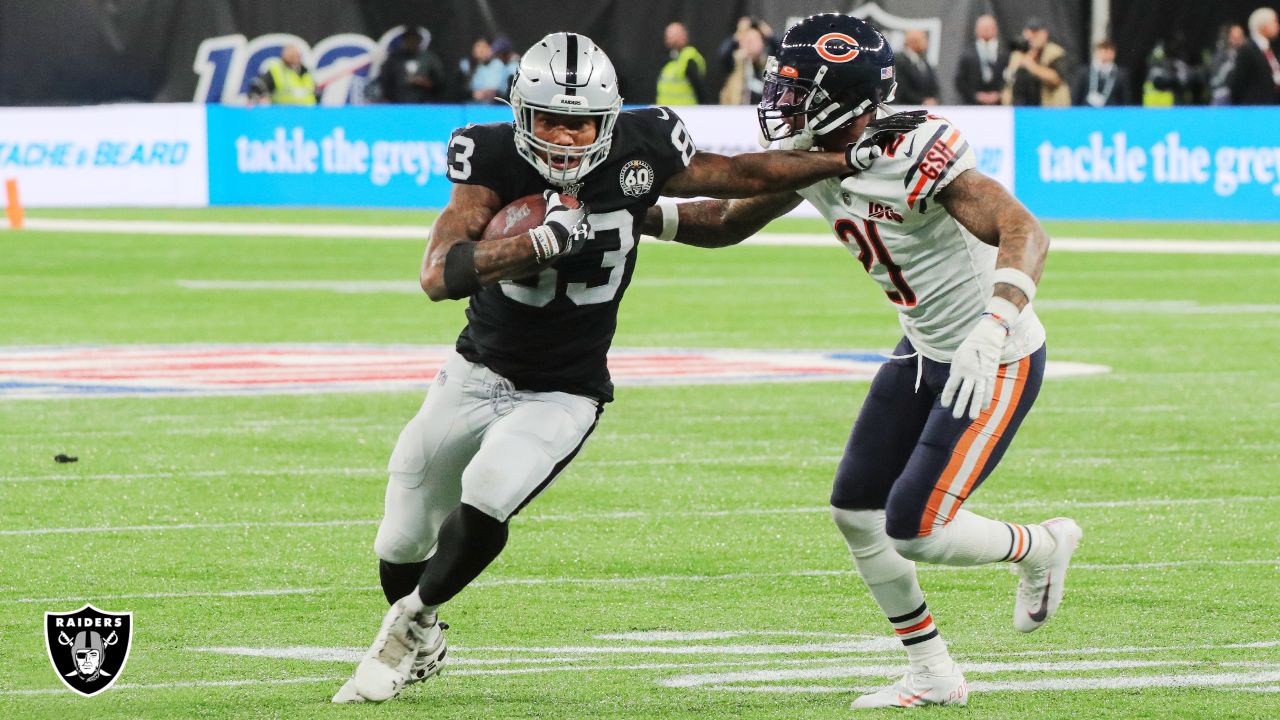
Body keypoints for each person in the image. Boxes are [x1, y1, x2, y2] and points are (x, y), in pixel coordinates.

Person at [331, 30, 909, 704]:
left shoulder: (646, 143)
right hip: (475, 369)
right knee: (400, 534)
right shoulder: (486, 153)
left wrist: (835, 160)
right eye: (551, 119)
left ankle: (411, 625)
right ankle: (424, 638)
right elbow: (438, 274)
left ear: (608, 119)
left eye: (581, 123)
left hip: (564, 390)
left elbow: (738, 179)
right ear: (521, 114)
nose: (568, 137)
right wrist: (528, 246)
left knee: (489, 489)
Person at [642, 13, 1081, 709]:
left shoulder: (908, 151)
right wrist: (633, 216)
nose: (779, 103)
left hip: (991, 355)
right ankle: (933, 671)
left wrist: (995, 323)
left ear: (845, 99)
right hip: (923, 348)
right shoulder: (817, 148)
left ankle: (1042, 546)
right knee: (856, 511)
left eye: (796, 91)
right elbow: (726, 220)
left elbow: (1024, 229)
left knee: (917, 527)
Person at [1003, 18, 1072, 106]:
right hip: (1021, 105)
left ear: (1045, 34)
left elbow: (1057, 79)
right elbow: (1008, 79)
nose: (1032, 36)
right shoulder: (1018, 54)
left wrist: (1031, 65)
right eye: (1029, 32)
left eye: (1036, 32)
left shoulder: (1054, 52)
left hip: (1050, 107)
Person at [375, 30, 447, 104]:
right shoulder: (394, 60)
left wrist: (425, 82)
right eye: (409, 40)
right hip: (398, 104)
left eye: (414, 40)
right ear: (404, 41)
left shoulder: (430, 58)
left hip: (424, 104)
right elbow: (385, 81)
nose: (412, 43)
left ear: (419, 41)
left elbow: (440, 81)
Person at [1230, 7, 1280, 104]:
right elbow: (1238, 83)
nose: (1277, 26)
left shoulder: (1268, 48)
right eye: (1274, 22)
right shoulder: (1247, 50)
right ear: (1263, 25)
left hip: (1271, 106)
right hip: (1254, 108)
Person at [955, 14, 1007, 105]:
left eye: (989, 27)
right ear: (976, 30)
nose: (986, 30)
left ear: (995, 29)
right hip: (973, 105)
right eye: (983, 27)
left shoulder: (1004, 53)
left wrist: (1000, 94)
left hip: (1000, 105)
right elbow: (960, 80)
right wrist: (975, 95)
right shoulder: (967, 54)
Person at [657, 22, 708, 105]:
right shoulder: (667, 58)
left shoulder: (689, 57)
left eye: (674, 36)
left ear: (684, 36)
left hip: (686, 111)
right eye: (668, 36)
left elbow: (700, 89)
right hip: (666, 111)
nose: (669, 39)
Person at [247, 45, 317, 106]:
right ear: (284, 56)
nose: (295, 57)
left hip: (307, 115)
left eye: (297, 55)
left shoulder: (306, 72)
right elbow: (259, 85)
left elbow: (314, 93)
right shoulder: (277, 71)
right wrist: (260, 97)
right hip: (283, 115)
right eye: (292, 55)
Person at [1071, 40, 1132, 106]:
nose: (1105, 55)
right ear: (1096, 53)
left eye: (1108, 52)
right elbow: (1076, 94)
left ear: (1114, 54)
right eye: (1102, 52)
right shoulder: (1083, 72)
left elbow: (1126, 98)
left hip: (1111, 111)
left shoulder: (1120, 74)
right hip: (1087, 111)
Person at [720, 25, 769, 104]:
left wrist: (770, 35)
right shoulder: (735, 62)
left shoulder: (768, 64)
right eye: (747, 40)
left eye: (754, 40)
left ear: (762, 44)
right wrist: (737, 36)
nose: (750, 44)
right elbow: (723, 54)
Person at [894, 29, 940, 106]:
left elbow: (933, 84)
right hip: (906, 106)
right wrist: (921, 101)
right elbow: (901, 87)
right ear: (913, 41)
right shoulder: (899, 61)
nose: (926, 42)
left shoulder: (924, 61)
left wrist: (934, 99)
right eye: (923, 39)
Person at [458, 37, 509, 103]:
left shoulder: (498, 64)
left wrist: (489, 93)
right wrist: (473, 94)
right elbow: (459, 89)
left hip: (493, 106)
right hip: (469, 106)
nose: (481, 50)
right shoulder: (465, 66)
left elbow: (501, 89)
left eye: (484, 47)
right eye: (478, 47)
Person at [1209, 24, 1247, 105]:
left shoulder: (1247, 54)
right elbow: (1216, 80)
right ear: (1229, 38)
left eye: (1241, 37)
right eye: (1235, 38)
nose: (1238, 41)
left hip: (1242, 96)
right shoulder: (1220, 56)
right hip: (1223, 95)